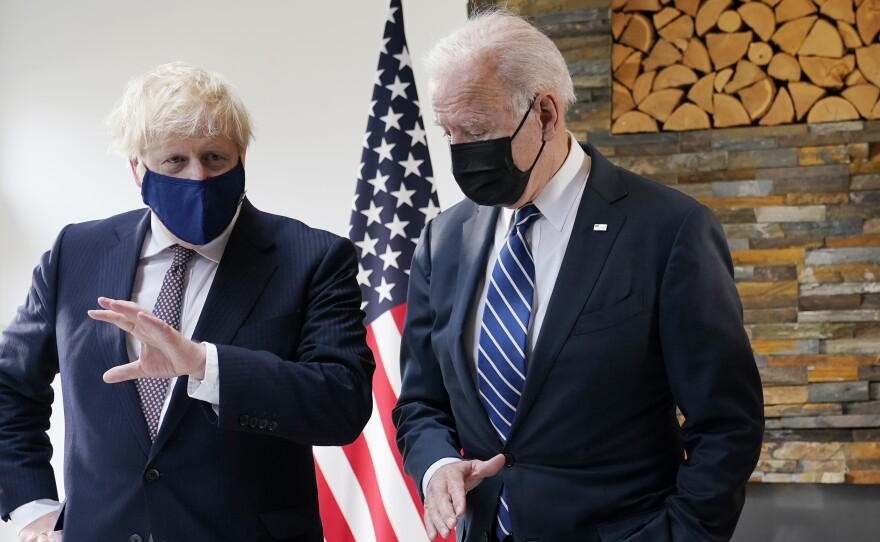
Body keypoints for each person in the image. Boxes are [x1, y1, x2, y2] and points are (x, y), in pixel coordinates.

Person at [393, 9, 764, 542]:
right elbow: (421, 403)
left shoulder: (669, 229)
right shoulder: (442, 240)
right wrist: (435, 467)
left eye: (475, 129)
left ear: (545, 114)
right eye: (448, 132)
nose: (460, 153)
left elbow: (727, 426)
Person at [0, 62, 374, 542]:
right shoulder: (76, 253)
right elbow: (10, 388)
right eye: (174, 160)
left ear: (242, 158)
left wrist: (204, 365)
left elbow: (341, 402)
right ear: (137, 168)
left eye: (215, 157)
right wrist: (32, 507)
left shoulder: (314, 257)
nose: (198, 176)